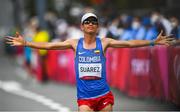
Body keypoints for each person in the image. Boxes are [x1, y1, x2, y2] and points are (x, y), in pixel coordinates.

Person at [6, 13, 174, 112]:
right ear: (82, 26)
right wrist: (27, 43)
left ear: (97, 26)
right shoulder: (74, 43)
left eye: (94, 22)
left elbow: (130, 44)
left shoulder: (105, 42)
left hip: (104, 95)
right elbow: (50, 45)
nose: (91, 24)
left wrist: (152, 42)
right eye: (87, 22)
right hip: (84, 98)